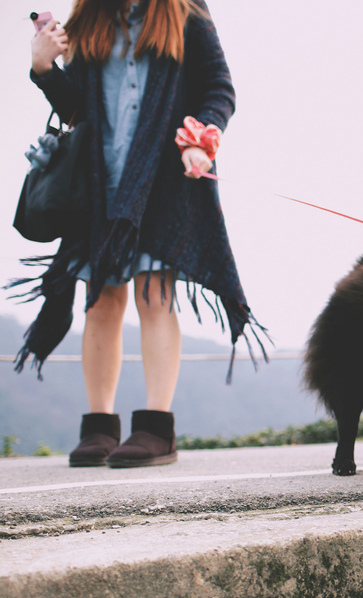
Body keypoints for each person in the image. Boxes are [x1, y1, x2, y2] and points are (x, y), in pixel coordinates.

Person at [16, 0, 263, 468]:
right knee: (102, 302)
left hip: (163, 180)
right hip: (97, 180)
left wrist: (201, 140)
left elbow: (218, 88)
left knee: (154, 296)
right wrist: (43, 65)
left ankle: (155, 428)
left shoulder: (186, 12)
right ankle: (99, 428)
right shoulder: (88, 19)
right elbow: (76, 109)